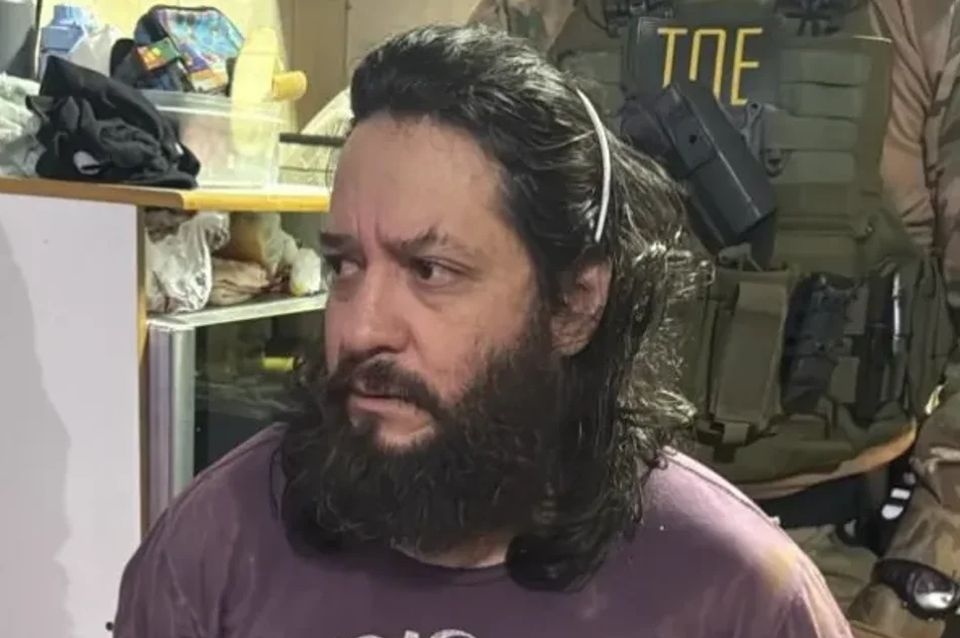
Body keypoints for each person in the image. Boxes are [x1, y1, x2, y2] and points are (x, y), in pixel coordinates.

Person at [112, 25, 853, 638]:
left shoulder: (738, 597)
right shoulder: (215, 550)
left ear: (574, 305)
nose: (361, 327)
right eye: (344, 265)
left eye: (430, 270)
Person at [452, 2, 960, 638]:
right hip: (575, 546)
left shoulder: (921, 19)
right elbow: (446, 278)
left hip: (838, 555)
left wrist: (920, 574)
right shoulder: (538, 14)